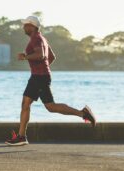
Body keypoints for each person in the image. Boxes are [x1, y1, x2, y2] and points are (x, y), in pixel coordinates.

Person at [5, 15, 96, 146]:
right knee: (39, 106)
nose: (23, 27)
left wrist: (25, 57)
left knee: (41, 106)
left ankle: (21, 136)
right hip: (40, 76)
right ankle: (22, 136)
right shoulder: (42, 39)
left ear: (32, 26)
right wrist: (43, 68)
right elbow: (51, 57)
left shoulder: (36, 39)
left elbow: (41, 55)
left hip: (39, 77)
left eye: (26, 25)